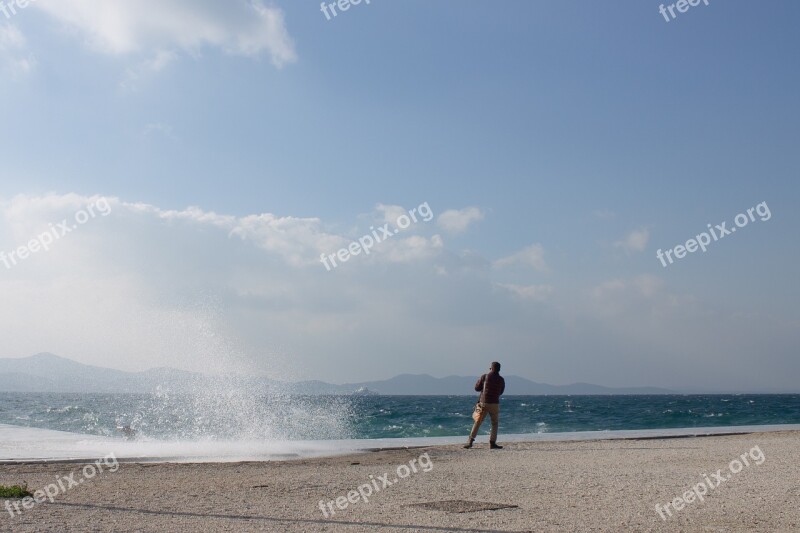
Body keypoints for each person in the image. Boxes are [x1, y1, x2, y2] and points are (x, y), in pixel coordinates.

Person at [464, 361, 505, 449]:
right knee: (494, 423)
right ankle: (492, 443)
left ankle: (470, 441)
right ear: (499, 369)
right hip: (495, 403)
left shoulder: (485, 376)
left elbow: (477, 388)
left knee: (478, 421)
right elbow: (501, 392)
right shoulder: (501, 379)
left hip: (483, 402)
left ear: (491, 368)